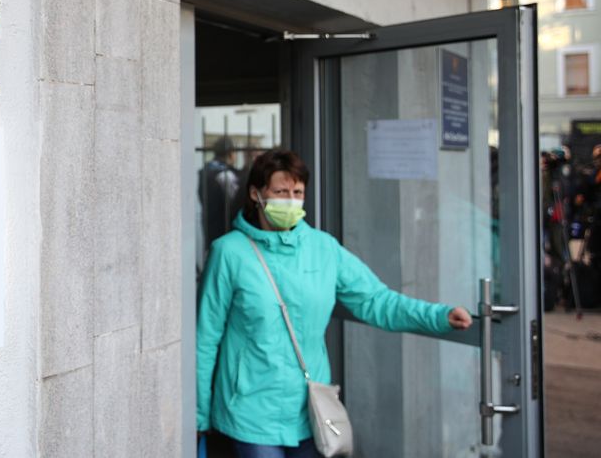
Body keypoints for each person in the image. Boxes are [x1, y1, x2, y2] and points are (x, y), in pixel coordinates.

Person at [196, 150, 473, 458]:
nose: (290, 200)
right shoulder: (229, 253)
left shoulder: (323, 248)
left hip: (311, 411)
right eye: (280, 191)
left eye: (297, 192)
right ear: (255, 194)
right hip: (249, 413)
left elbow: (376, 301)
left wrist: (438, 316)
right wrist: (200, 415)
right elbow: (206, 338)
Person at [199, 137, 241, 253]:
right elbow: (236, 203)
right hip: (226, 228)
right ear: (231, 154)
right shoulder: (225, 175)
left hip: (209, 225)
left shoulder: (205, 171)